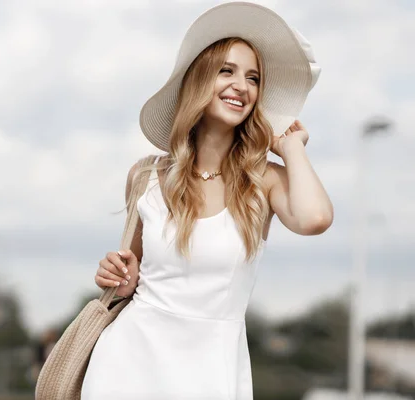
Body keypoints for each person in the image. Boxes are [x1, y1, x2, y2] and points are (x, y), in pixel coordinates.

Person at [81, 2, 333, 400]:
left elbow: (315, 218)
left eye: (253, 78)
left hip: (211, 372)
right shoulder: (146, 176)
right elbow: (132, 276)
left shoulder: (263, 180)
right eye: (227, 71)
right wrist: (115, 273)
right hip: (126, 367)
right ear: (199, 79)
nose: (242, 86)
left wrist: (292, 147)